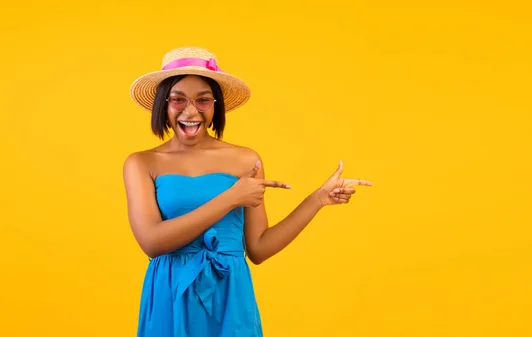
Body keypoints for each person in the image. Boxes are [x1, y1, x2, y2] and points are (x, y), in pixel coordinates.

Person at [123, 46, 373, 337]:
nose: (191, 111)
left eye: (203, 100)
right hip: (170, 296)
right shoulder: (141, 163)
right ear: (162, 105)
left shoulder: (245, 160)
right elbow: (152, 242)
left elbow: (259, 248)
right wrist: (231, 197)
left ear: (215, 106)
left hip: (230, 297)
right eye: (178, 100)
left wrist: (318, 199)